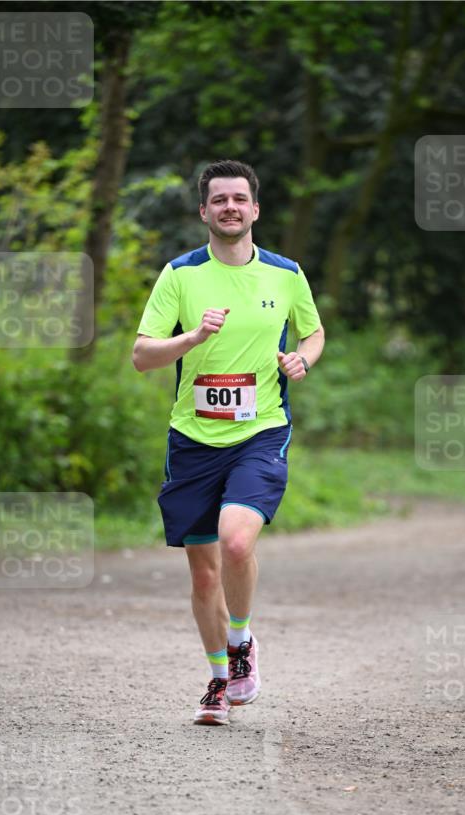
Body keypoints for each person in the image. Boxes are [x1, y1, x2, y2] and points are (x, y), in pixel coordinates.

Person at [132, 160, 324, 726]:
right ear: (204, 211)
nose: (230, 207)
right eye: (219, 200)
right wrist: (192, 337)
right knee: (203, 572)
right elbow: (143, 355)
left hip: (261, 430)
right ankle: (219, 678)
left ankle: (241, 643)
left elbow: (312, 332)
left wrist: (300, 359)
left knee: (236, 543)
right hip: (192, 438)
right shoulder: (180, 275)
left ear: (256, 209)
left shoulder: (286, 273)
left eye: (240, 198)